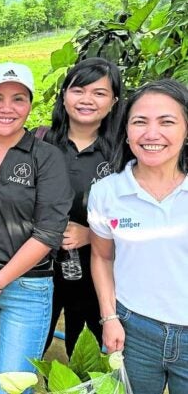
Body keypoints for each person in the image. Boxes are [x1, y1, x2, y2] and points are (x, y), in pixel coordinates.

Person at [0, 62, 73, 394]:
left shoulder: (47, 158)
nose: (6, 108)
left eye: (18, 99)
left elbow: (49, 232)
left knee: (13, 385)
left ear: (30, 105)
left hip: (27, 289)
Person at [88, 79, 188, 394]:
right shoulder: (106, 193)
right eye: (140, 122)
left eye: (167, 121)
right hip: (134, 330)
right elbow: (102, 256)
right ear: (127, 132)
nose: (151, 133)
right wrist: (109, 318)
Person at [40, 57, 123, 357]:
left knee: (85, 357)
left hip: (96, 273)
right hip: (40, 268)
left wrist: (92, 234)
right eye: (79, 90)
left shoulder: (122, 154)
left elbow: (139, 215)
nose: (87, 100)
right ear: (64, 95)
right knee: (30, 348)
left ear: (114, 101)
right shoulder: (41, 143)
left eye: (99, 93)